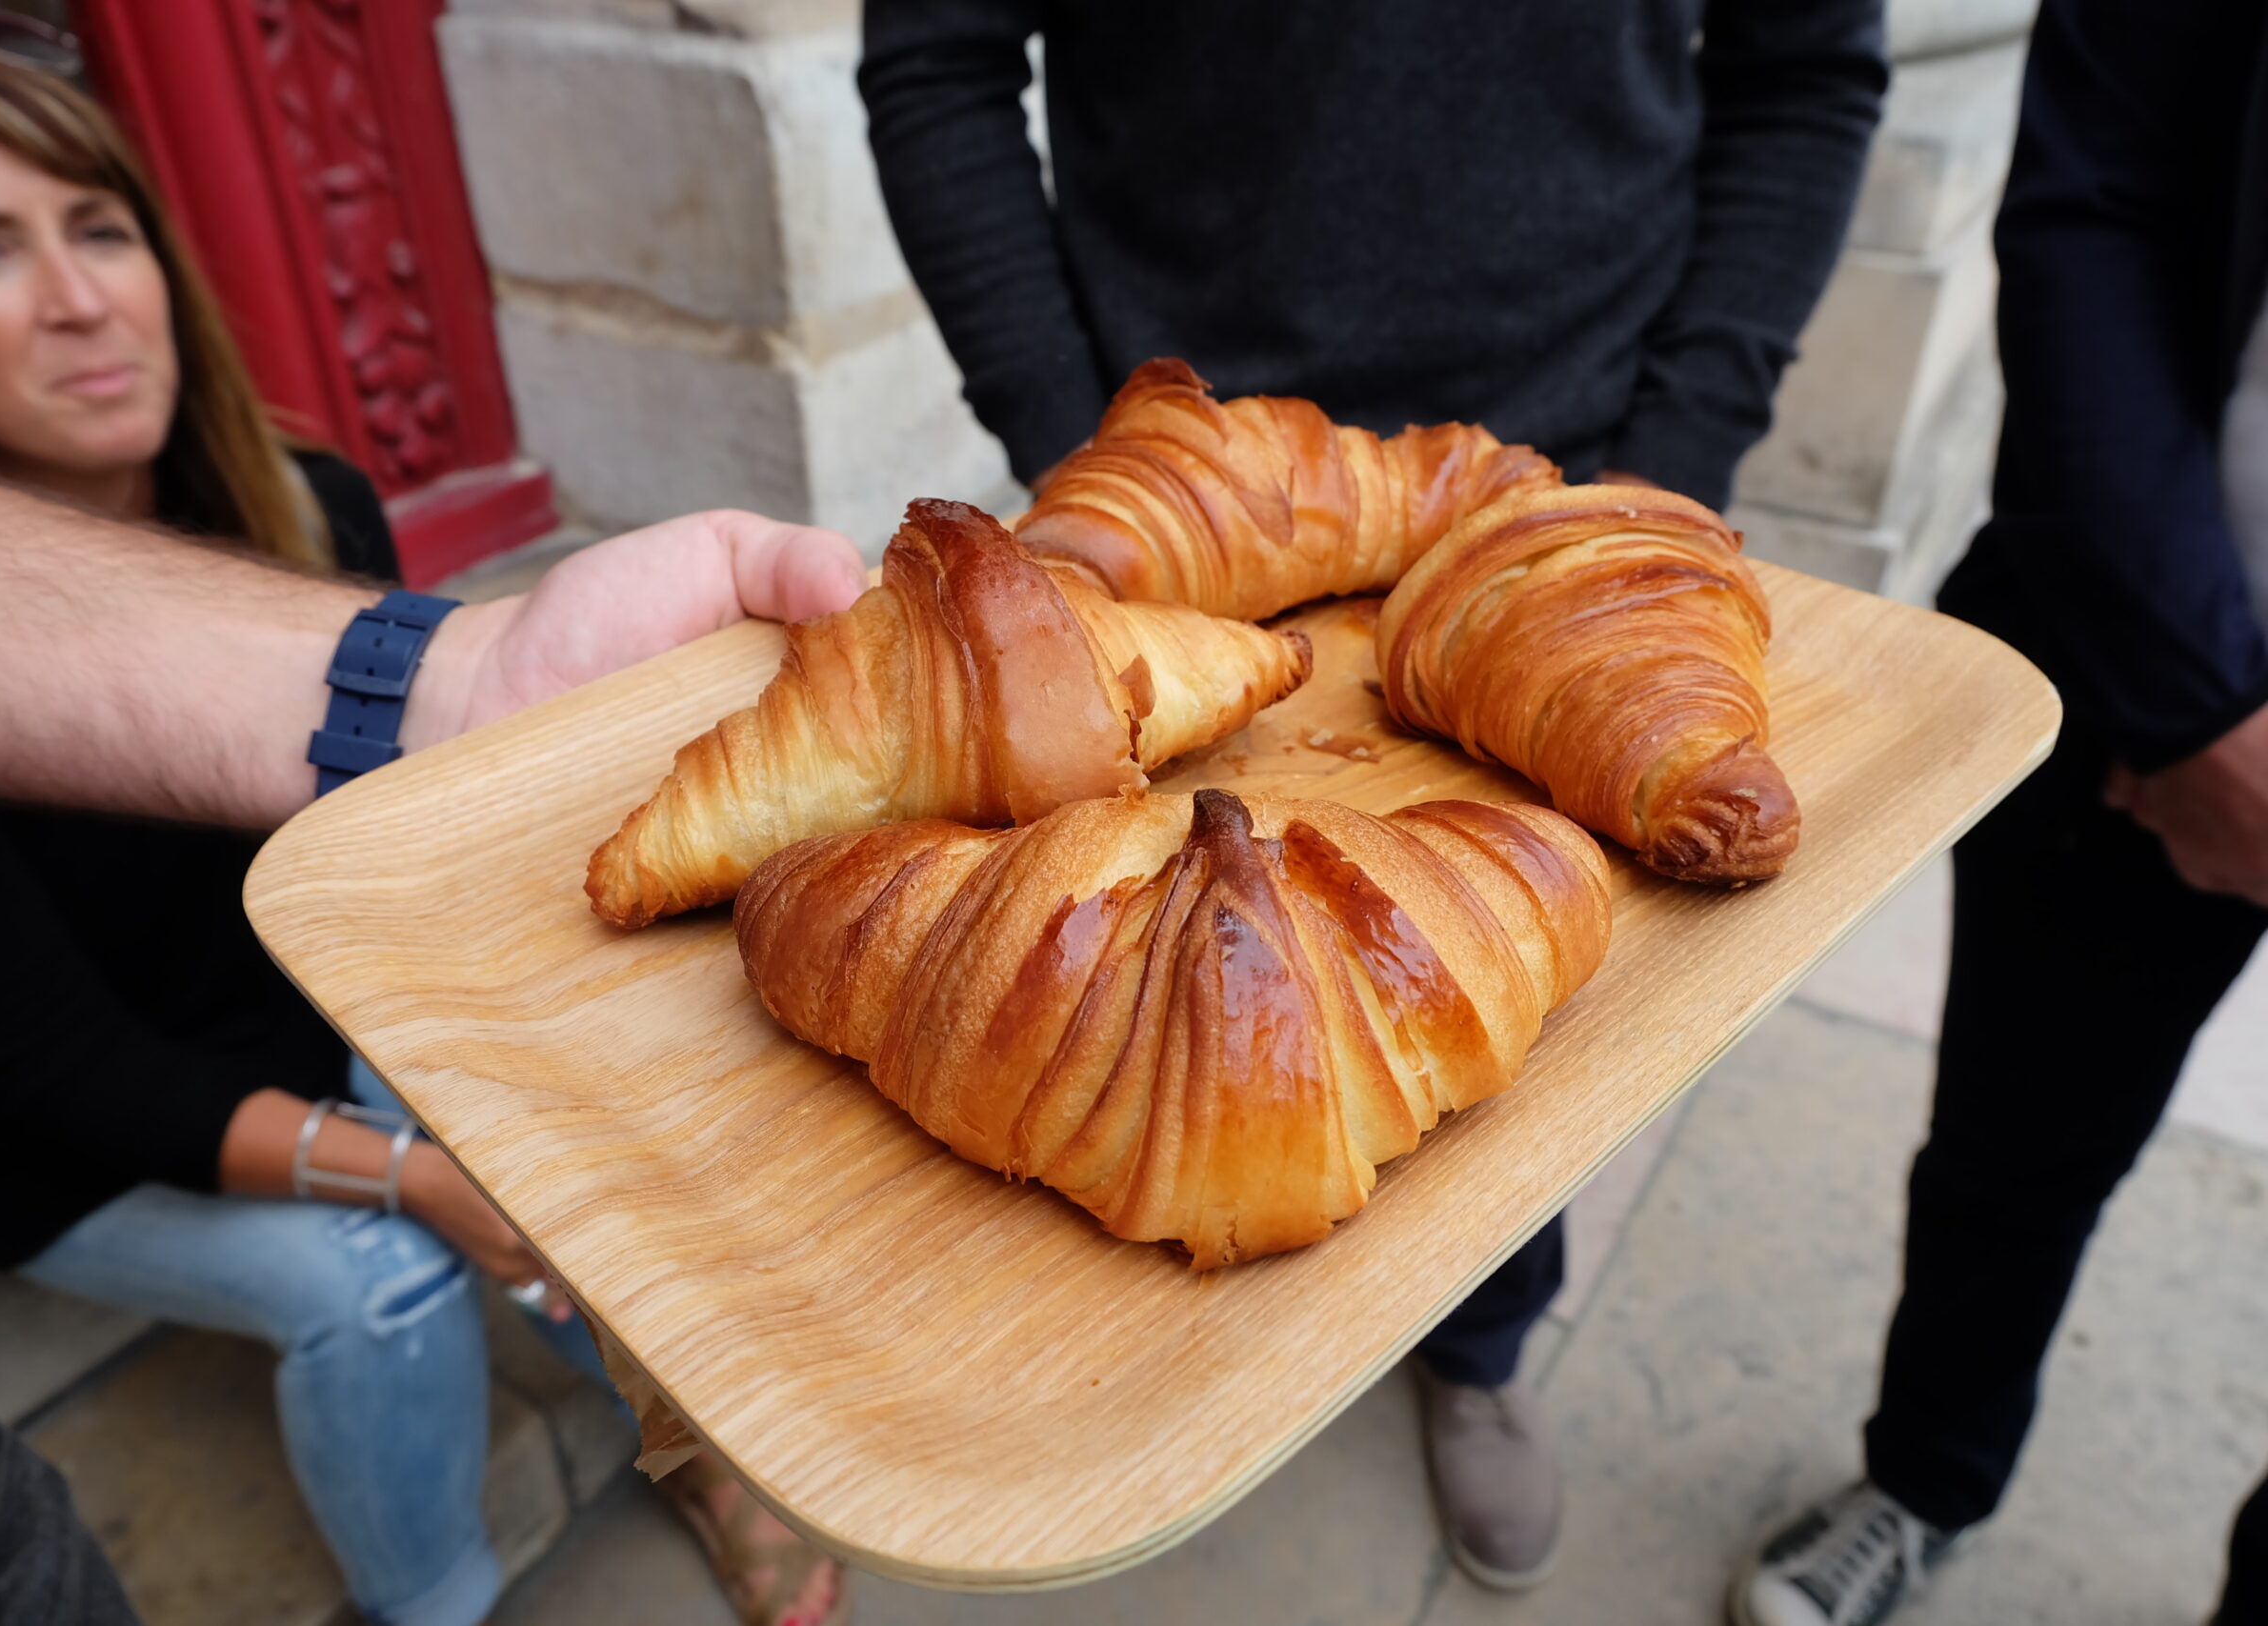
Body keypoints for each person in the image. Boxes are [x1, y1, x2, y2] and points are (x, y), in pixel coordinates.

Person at [0, 24, 858, 1626]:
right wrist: (411, 1173)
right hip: (27, 1124)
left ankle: (701, 1450)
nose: (80, 297)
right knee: (385, 1281)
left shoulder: (308, 507)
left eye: (99, 225)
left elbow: (412, 849)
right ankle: (430, 1603)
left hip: (279, 1003)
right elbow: (53, 1065)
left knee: (566, 1142)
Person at [859, 0, 1885, 1591]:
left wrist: (1680, 447)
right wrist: (1102, 457)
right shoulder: (1145, 511)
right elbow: (939, 56)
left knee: (1480, 1008)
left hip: (1568, 475)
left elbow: (1805, 68)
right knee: (1109, 946)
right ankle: (1142, 1397)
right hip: (1172, 479)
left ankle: (1479, 1350)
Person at [1728, 4, 2268, 1624]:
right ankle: (1924, 1479)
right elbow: (2095, 198)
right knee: (2014, 1153)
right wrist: (2202, 716)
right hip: (2143, 669)